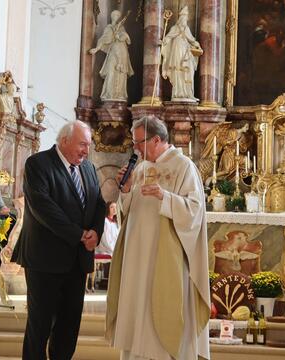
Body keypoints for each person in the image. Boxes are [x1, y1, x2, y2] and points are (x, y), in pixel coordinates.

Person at [106, 115, 210, 360]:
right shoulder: (140, 167)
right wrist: (127, 189)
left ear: (155, 139)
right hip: (137, 258)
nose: (134, 148)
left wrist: (166, 197)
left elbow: (195, 211)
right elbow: (128, 212)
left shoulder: (184, 166)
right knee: (136, 312)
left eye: (138, 143)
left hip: (166, 257)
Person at [12, 120, 106, 360]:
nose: (87, 150)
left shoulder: (88, 168)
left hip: (77, 261)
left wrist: (96, 231)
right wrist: (80, 235)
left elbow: (98, 203)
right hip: (45, 260)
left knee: (69, 326)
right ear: (64, 141)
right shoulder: (38, 164)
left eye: (89, 145)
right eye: (82, 144)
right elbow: (45, 209)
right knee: (40, 325)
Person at [89, 10, 134, 101]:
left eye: (118, 15)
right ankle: (109, 94)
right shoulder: (109, 27)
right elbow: (104, 39)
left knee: (121, 73)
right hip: (113, 51)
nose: (116, 16)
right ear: (111, 16)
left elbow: (128, 40)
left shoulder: (121, 27)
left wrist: (121, 36)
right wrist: (97, 49)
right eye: (114, 14)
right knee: (111, 72)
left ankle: (120, 94)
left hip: (122, 51)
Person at [161, 6, 202, 101]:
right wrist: (164, 41)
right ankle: (177, 93)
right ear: (181, 18)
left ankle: (188, 94)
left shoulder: (186, 29)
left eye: (186, 17)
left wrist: (197, 45)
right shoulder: (174, 28)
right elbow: (168, 37)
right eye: (185, 17)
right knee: (177, 72)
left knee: (189, 71)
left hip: (186, 53)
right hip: (177, 52)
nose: (186, 19)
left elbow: (191, 40)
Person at [86, 201, 119, 292]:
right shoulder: (105, 222)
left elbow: (117, 238)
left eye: (115, 207)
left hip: (112, 248)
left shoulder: (116, 223)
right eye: (112, 207)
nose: (114, 209)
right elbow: (105, 239)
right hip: (104, 248)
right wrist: (114, 249)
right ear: (108, 209)